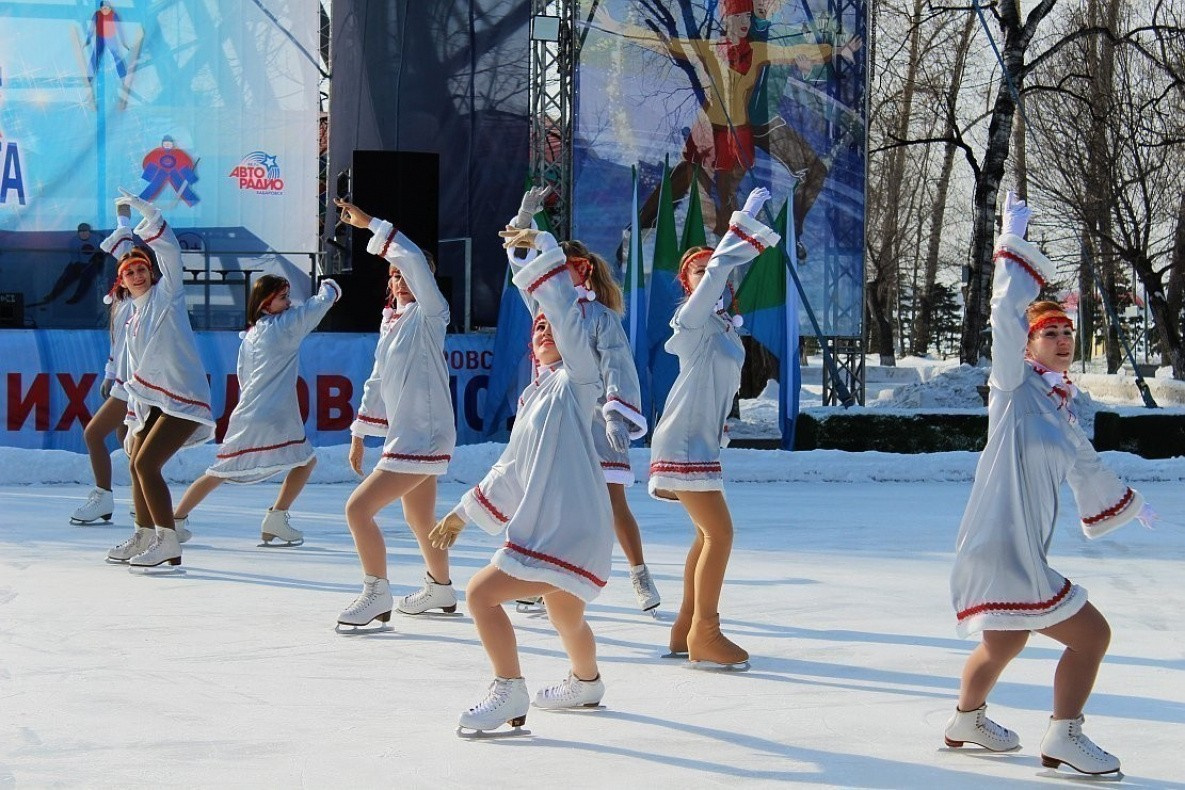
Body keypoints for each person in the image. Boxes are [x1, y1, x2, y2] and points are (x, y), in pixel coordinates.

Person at [944, 192, 1153, 776]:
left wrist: (1126, 505)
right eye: (1049, 332)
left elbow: (1084, 463)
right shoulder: (1012, 390)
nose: (1062, 339)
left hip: (1014, 544)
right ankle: (1065, 735)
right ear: (1028, 347)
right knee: (1091, 635)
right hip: (1002, 546)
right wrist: (1009, 248)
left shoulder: (1059, 408)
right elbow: (1004, 317)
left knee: (1004, 642)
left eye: (1067, 330)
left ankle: (966, 718)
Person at [429, 223, 614, 735]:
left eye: (553, 326)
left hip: (567, 528)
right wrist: (463, 513)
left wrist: (547, 251)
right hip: (561, 526)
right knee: (565, 614)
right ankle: (587, 681)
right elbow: (511, 470)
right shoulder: (536, 398)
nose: (546, 331)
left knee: (480, 594)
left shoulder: (579, 382)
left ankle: (509, 691)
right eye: (537, 329)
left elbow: (562, 314)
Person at [504, 187, 659, 613]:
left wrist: (616, 414)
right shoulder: (543, 306)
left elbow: (617, 364)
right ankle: (539, 578)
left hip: (592, 418)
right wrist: (525, 214)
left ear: (584, 271)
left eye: (566, 268)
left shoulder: (601, 317)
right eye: (552, 269)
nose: (556, 276)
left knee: (612, 501)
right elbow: (518, 258)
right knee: (542, 497)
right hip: (553, 417)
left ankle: (639, 572)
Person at [648, 187, 779, 669]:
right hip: (683, 441)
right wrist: (737, 226)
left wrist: (722, 423)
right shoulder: (692, 320)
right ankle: (706, 632)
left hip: (699, 440)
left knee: (706, 537)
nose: (711, 275)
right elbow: (712, 282)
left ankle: (685, 628)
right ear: (687, 282)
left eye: (714, 268)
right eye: (699, 271)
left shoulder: (723, 326)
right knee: (720, 535)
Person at [333, 198, 457, 629]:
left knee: (357, 510)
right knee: (419, 516)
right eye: (395, 274)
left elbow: (414, 263)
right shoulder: (392, 323)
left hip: (424, 434)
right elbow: (377, 380)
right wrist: (359, 433)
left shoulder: (431, 313)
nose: (401, 279)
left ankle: (376, 592)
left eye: (407, 272)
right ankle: (440, 587)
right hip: (409, 433)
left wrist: (369, 225)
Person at [170, 274, 341, 546]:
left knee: (223, 470)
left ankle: (178, 519)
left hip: (250, 411)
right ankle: (275, 516)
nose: (288, 303)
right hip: (274, 414)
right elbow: (320, 304)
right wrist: (329, 286)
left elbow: (243, 376)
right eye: (283, 298)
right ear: (265, 304)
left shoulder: (250, 336)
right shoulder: (285, 326)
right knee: (303, 462)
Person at [104, 188, 215, 568]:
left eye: (141, 269)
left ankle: (167, 539)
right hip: (151, 401)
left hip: (181, 397)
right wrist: (120, 221)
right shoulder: (130, 314)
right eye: (129, 272)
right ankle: (145, 533)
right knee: (135, 460)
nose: (136, 273)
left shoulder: (167, 294)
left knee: (146, 465)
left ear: (151, 274)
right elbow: (123, 251)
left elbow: (168, 250)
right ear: (121, 282)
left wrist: (142, 211)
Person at [28, 223, 108, 308]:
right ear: (78, 233)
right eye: (81, 232)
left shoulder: (97, 239)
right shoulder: (74, 241)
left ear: (89, 232)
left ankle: (76, 297)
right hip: (77, 263)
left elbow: (106, 248)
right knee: (64, 278)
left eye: (85, 231)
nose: (83, 233)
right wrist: (77, 265)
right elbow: (74, 256)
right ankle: (52, 295)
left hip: (93, 264)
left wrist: (100, 255)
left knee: (86, 280)